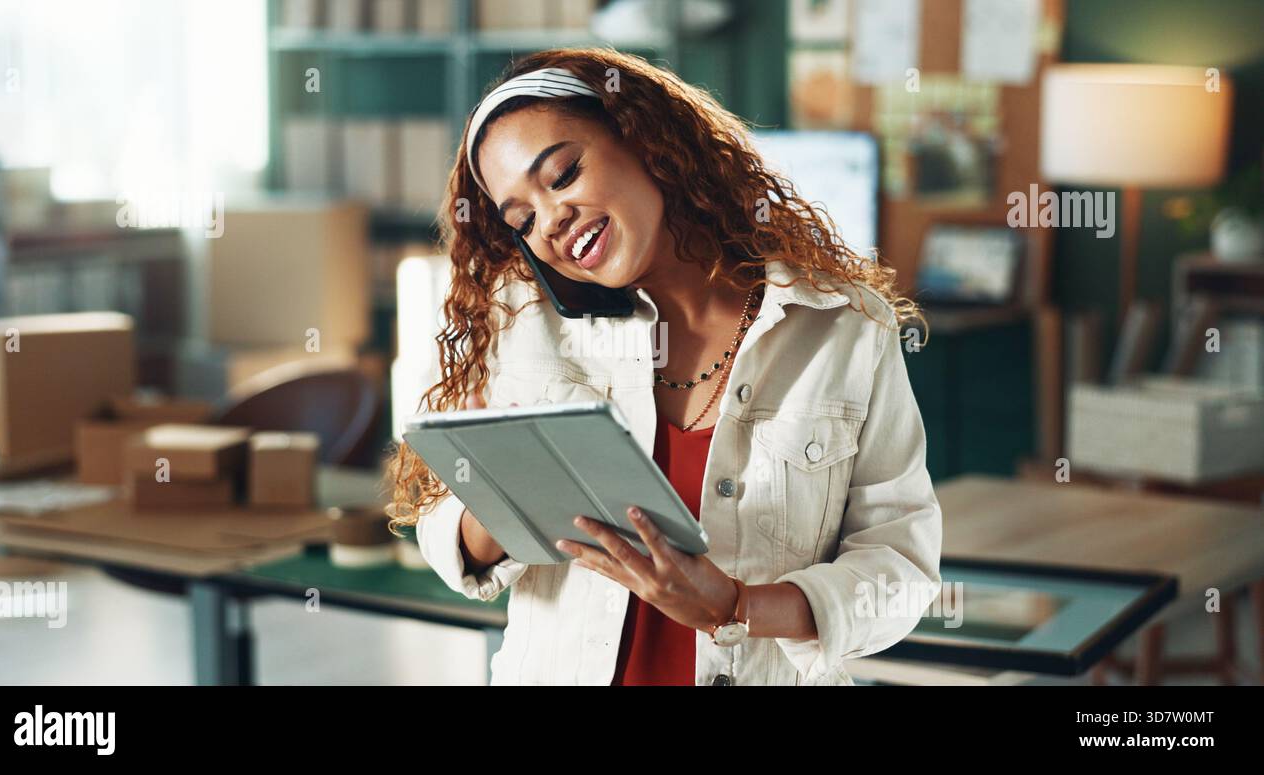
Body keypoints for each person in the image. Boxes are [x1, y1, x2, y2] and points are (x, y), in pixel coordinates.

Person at [387, 48, 942, 685]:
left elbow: (900, 571)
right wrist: (505, 492)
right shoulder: (525, 320)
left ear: (645, 139)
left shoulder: (842, 326)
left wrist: (736, 607)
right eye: (524, 219)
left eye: (563, 174)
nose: (552, 222)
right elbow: (445, 532)